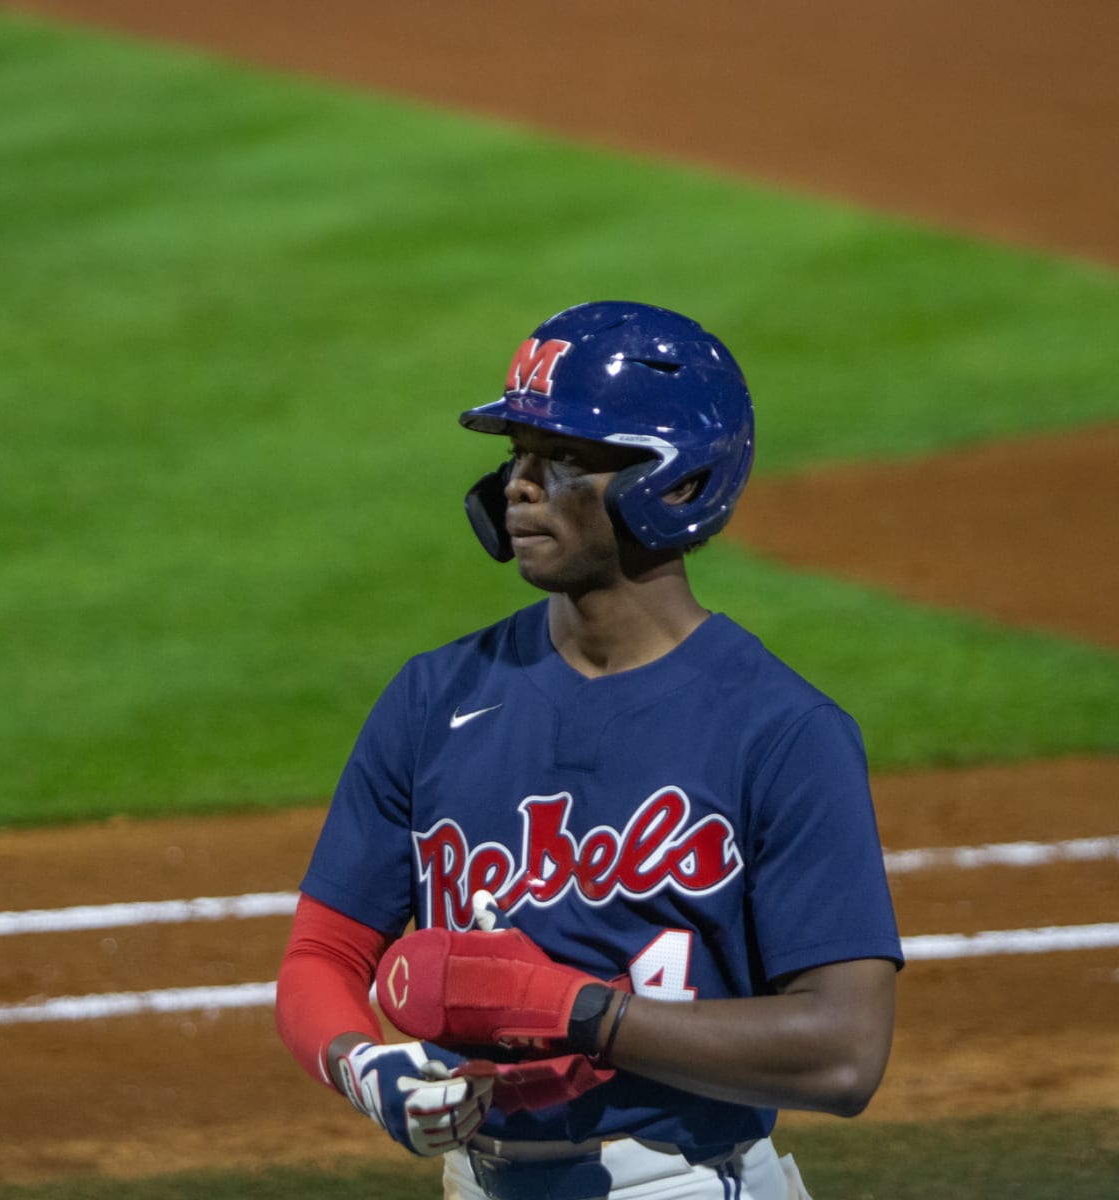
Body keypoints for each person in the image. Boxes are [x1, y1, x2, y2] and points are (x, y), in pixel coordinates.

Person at [276, 301, 903, 1200]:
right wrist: (363, 1068)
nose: (521, 488)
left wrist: (573, 1012)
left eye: (563, 460)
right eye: (515, 458)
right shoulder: (433, 697)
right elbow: (322, 958)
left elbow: (845, 1056)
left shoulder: (782, 730)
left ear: (675, 482)